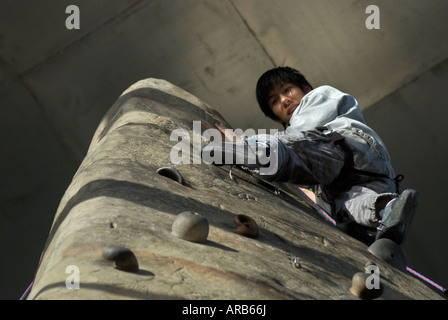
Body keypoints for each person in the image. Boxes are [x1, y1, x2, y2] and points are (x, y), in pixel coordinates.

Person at [205, 66, 418, 245]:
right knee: (351, 210)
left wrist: (244, 143)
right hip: (358, 182)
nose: (284, 100)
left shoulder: (318, 97)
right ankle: (387, 212)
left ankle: (252, 151)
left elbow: (300, 142)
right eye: (275, 102)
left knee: (289, 152)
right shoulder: (300, 137)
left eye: (287, 90)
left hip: (347, 147)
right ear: (276, 116)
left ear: (305, 88)